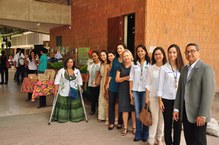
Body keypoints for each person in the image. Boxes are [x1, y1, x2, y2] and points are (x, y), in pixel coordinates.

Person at [173, 43, 215, 145]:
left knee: (199, 141)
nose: (189, 53)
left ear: (198, 53)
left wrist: (203, 114)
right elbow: (180, 90)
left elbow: (208, 94)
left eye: (192, 51)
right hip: (186, 113)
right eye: (187, 52)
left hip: (199, 115)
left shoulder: (206, 69)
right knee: (189, 141)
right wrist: (176, 108)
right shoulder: (184, 69)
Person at [157, 44, 184, 145]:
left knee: (178, 125)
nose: (171, 54)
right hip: (166, 100)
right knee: (167, 124)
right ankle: (168, 143)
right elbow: (160, 85)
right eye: (170, 52)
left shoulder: (182, 68)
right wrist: (160, 101)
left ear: (178, 54)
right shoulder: (164, 68)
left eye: (174, 52)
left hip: (179, 100)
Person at [52, 57, 85, 122]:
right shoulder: (61, 71)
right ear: (66, 63)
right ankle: (63, 118)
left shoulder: (77, 71)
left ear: (73, 63)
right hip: (63, 91)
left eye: (71, 62)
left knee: (73, 104)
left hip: (74, 91)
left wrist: (80, 87)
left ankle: (74, 117)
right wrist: (55, 91)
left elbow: (79, 80)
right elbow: (57, 81)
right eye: (68, 62)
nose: (70, 63)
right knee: (63, 104)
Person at [146, 47, 167, 145]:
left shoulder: (167, 67)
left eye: (160, 54)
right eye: (156, 54)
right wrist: (146, 97)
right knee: (154, 119)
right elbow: (148, 84)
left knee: (162, 119)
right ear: (154, 56)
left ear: (163, 55)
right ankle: (151, 140)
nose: (158, 56)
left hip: (165, 98)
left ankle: (159, 138)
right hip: (153, 97)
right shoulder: (151, 68)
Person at [129, 44, 150, 142]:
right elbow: (131, 78)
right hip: (136, 90)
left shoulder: (149, 64)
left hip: (145, 91)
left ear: (145, 52)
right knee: (137, 113)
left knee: (144, 112)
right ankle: (138, 134)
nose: (140, 53)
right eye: (138, 51)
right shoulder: (134, 65)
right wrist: (131, 91)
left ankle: (145, 134)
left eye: (142, 51)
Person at [116, 49, 136, 136]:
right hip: (123, 90)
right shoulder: (120, 66)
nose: (126, 57)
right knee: (124, 109)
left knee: (133, 110)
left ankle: (134, 127)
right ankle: (125, 128)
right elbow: (117, 79)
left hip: (133, 90)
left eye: (127, 55)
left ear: (131, 56)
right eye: (124, 56)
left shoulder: (135, 66)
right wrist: (125, 78)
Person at [106, 44, 126, 130]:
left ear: (124, 49)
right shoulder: (115, 60)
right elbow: (111, 73)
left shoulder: (127, 59)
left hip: (123, 85)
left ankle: (120, 122)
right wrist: (108, 83)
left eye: (120, 48)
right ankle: (111, 122)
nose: (119, 50)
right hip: (113, 85)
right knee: (111, 104)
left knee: (122, 104)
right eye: (117, 48)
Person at [84, 51, 101, 116]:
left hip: (98, 83)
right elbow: (88, 74)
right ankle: (92, 110)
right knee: (92, 97)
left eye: (95, 56)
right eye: (92, 56)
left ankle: (99, 111)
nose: (93, 57)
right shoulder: (90, 64)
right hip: (91, 83)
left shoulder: (100, 64)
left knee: (98, 97)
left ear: (98, 56)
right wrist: (85, 83)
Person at [103, 51, 116, 125]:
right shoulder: (107, 66)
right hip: (108, 84)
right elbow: (105, 77)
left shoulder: (117, 64)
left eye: (111, 55)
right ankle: (108, 118)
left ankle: (116, 118)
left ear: (114, 56)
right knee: (109, 103)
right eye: (109, 56)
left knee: (117, 103)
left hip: (116, 84)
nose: (110, 57)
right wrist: (104, 86)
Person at [98, 50, 109, 121]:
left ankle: (107, 116)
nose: (102, 57)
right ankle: (101, 116)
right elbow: (99, 73)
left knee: (107, 99)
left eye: (104, 55)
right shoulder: (101, 64)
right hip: (102, 81)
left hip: (108, 81)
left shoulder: (109, 64)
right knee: (101, 98)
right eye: (101, 55)